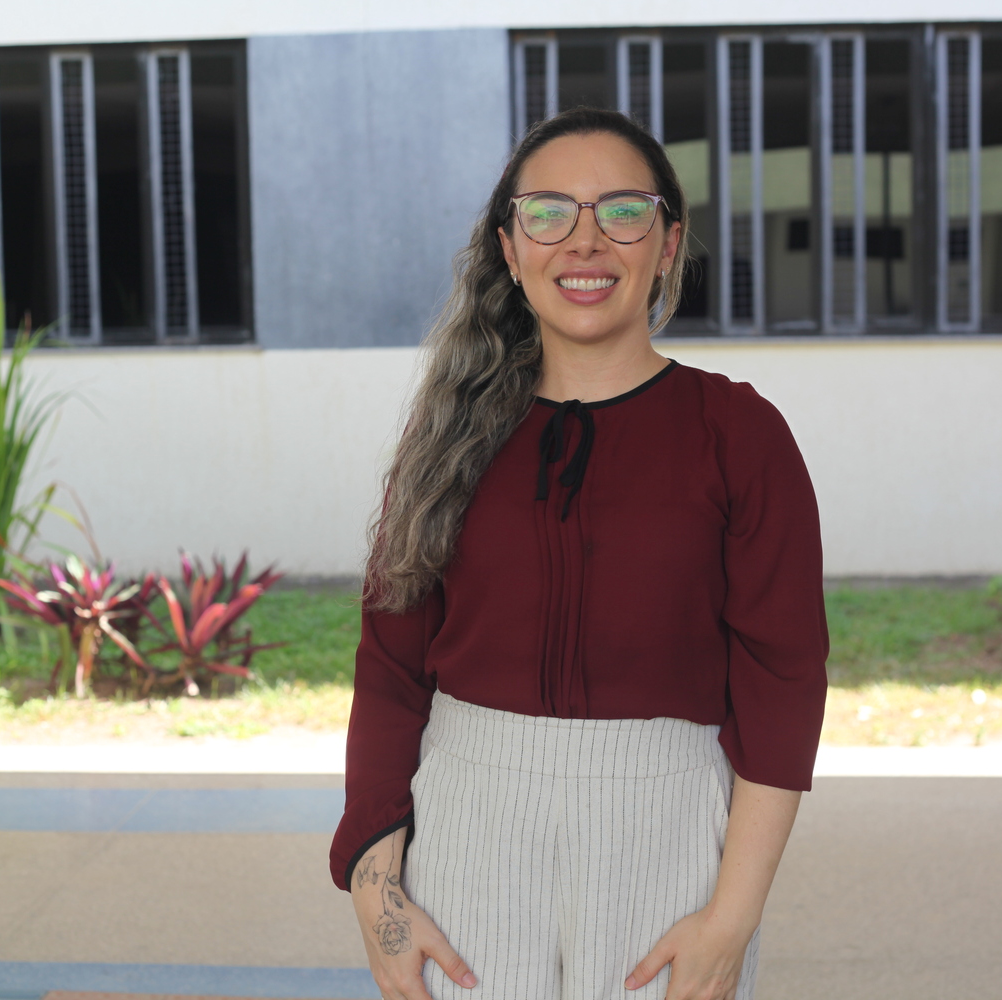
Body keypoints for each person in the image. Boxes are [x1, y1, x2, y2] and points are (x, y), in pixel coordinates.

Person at [329, 107, 829, 1000]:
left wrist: (732, 918)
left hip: (669, 829)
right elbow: (391, 671)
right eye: (550, 213)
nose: (585, 242)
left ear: (668, 243)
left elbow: (782, 683)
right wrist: (381, 901)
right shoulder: (444, 440)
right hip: (468, 831)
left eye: (623, 212)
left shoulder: (740, 434)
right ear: (510, 248)